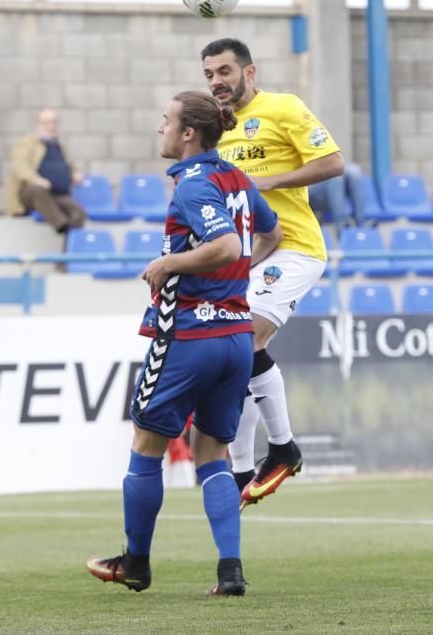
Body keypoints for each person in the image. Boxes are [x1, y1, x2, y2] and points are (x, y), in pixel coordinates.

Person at [86, 91, 282, 597]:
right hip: (236, 336)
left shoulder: (194, 185)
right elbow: (270, 233)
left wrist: (170, 263)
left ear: (189, 133)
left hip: (190, 335)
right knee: (212, 453)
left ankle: (136, 563)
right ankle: (230, 572)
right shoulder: (237, 179)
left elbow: (226, 245)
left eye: (166, 120)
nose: (160, 129)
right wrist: (235, 282)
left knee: (146, 444)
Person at [201, 38, 344, 508]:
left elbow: (333, 163)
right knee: (232, 360)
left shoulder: (283, 107)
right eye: (209, 75)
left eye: (224, 71)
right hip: (249, 256)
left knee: (245, 338)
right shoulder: (215, 129)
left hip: (295, 246)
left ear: (249, 72)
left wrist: (268, 181)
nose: (217, 81)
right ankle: (242, 467)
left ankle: (283, 447)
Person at [5, 108, 86, 233]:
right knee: (37, 190)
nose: (51, 126)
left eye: (54, 122)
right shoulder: (26, 143)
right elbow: (19, 166)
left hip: (57, 194)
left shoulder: (60, 146)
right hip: (30, 193)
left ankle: (69, 240)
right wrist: (36, 179)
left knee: (79, 213)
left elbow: (72, 166)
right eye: (47, 122)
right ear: (38, 125)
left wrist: (75, 173)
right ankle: (61, 225)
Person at [309, 162, 371, 235]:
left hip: (332, 184)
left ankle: (361, 223)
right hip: (310, 188)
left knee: (354, 171)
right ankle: (341, 227)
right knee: (336, 175)